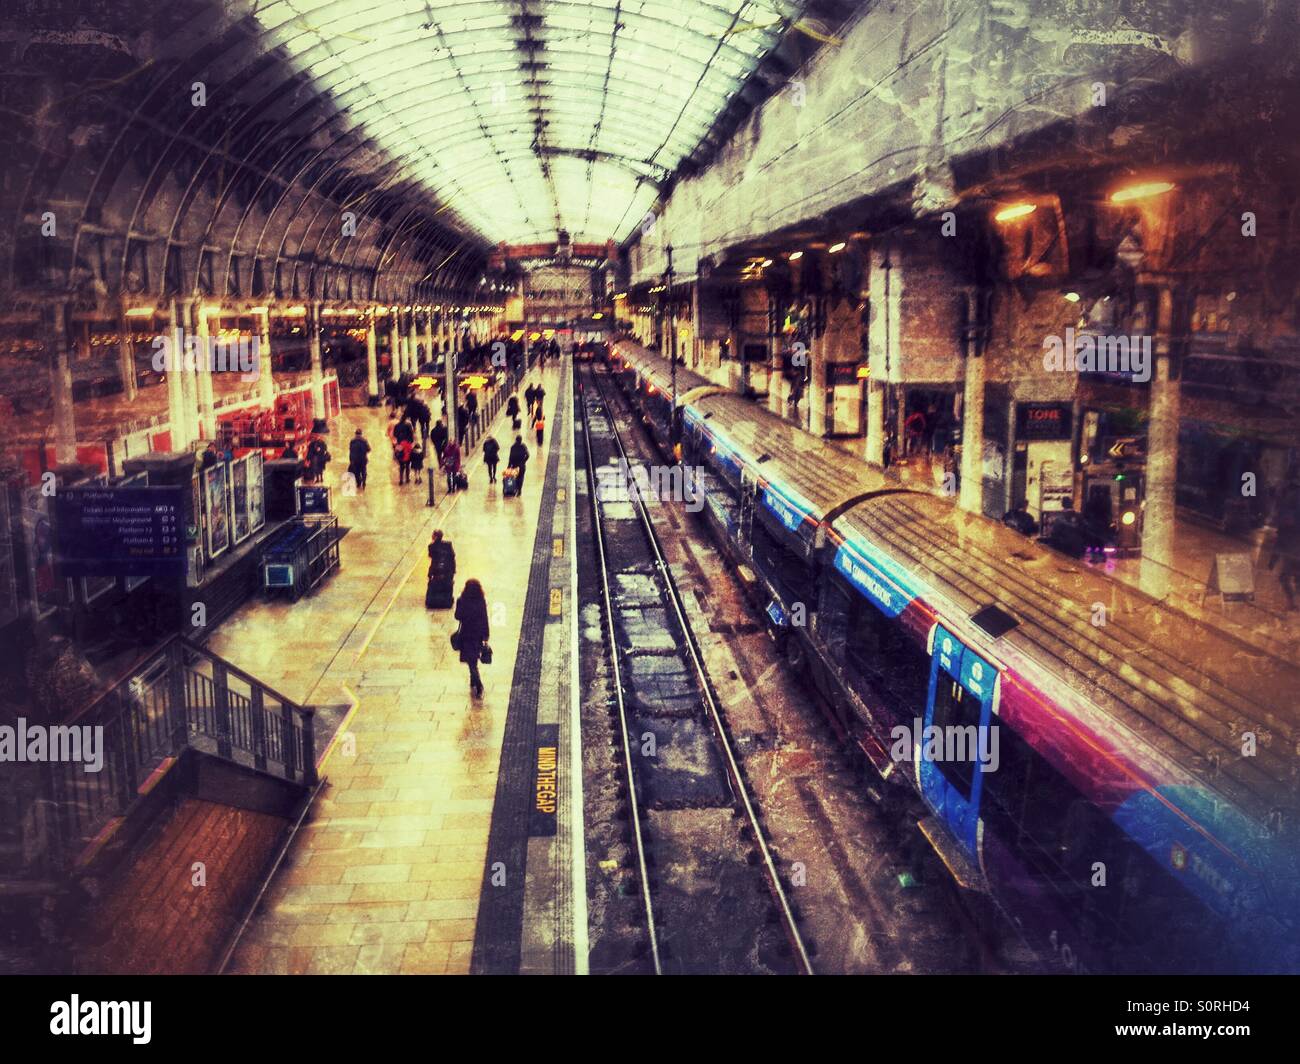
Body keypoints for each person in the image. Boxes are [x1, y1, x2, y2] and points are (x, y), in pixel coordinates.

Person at [454, 579, 491, 698]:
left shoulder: (461, 600)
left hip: (466, 634)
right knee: (473, 659)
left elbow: (457, 616)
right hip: (477, 634)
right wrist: (486, 635)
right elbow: (484, 618)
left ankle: (478, 683)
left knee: (471, 661)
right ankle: (473, 679)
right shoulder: (481, 600)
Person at [425, 530, 456, 609]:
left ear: (435, 536)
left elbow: (431, 556)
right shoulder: (448, 545)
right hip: (447, 569)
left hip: (436, 569)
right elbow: (452, 557)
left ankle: (433, 600)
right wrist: (453, 570)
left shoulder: (431, 546)